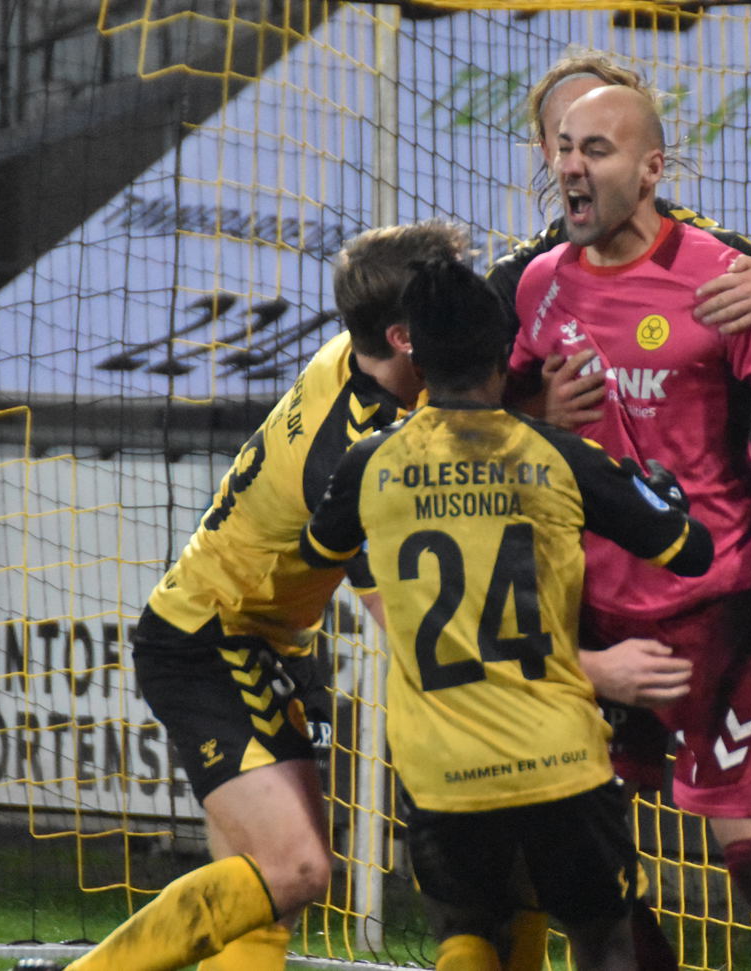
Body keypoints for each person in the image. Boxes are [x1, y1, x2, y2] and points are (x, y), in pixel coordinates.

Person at [507, 84, 751, 971]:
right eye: (564, 147)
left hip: (712, 612)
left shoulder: (720, 279)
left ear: (652, 168)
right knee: (577, 853)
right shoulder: (539, 284)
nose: (571, 166)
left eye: (596, 150)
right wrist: (538, 410)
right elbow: (492, 412)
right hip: (590, 612)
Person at [10, 221, 469, 971]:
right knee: (299, 868)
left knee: (270, 887)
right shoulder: (359, 451)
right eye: (449, 298)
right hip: (208, 641)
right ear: (404, 336)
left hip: (259, 637)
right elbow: (399, 619)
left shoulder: (357, 358)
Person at [298, 255, 717, 971]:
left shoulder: (368, 464)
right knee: (602, 938)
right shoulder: (561, 456)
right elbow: (691, 551)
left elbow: (319, 549)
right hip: (559, 764)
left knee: (468, 931)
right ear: (502, 356)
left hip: (442, 773)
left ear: (418, 363)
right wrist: (665, 494)